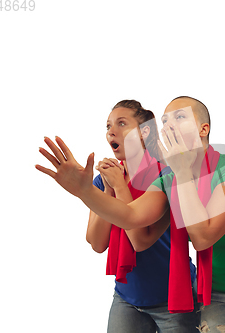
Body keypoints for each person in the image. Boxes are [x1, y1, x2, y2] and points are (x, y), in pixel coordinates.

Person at [36, 96, 225, 333]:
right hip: (215, 294)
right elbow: (130, 217)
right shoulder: (168, 180)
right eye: (165, 120)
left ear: (203, 129)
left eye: (180, 117)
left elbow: (204, 237)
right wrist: (85, 192)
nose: (169, 124)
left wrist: (182, 173)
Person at [78, 100, 199, 332]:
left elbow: (139, 241)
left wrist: (119, 188)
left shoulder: (167, 176)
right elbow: (96, 243)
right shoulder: (105, 181)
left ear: (144, 132)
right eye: (108, 126)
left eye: (121, 124)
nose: (111, 131)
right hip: (128, 297)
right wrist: (108, 190)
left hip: (172, 296)